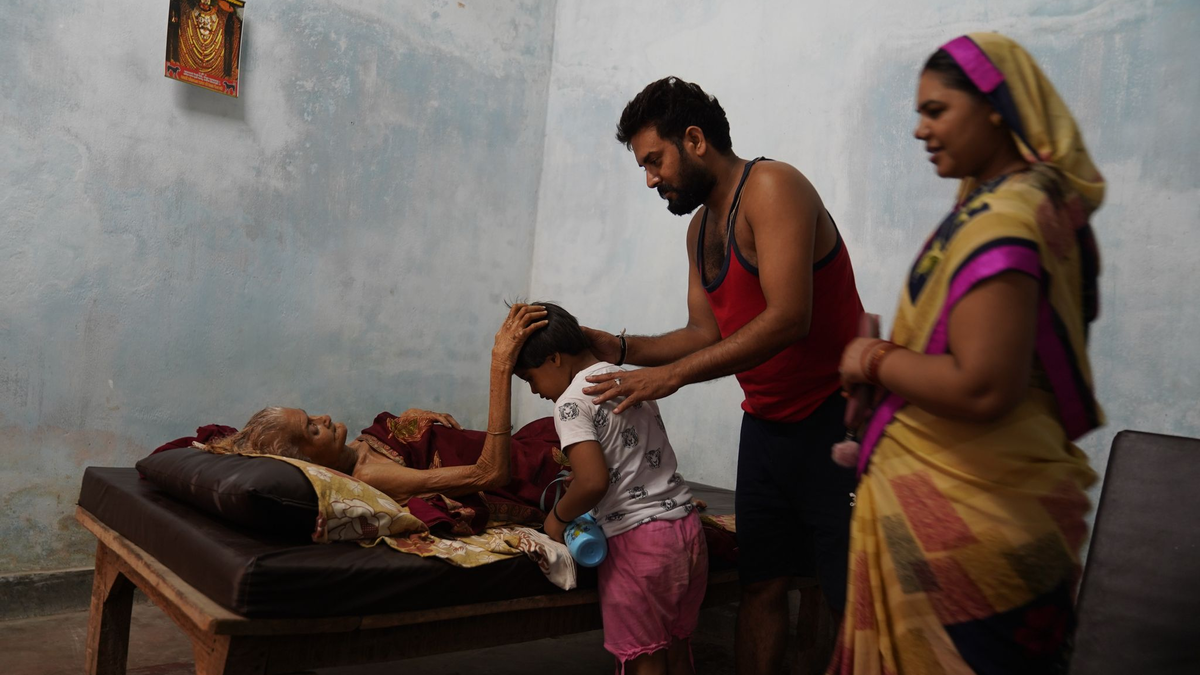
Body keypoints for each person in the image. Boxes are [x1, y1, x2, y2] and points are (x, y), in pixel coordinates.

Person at [829, 33, 1105, 674]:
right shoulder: (991, 204)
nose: (921, 130)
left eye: (936, 110)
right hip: (955, 519)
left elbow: (984, 386)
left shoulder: (1005, 219)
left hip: (972, 535)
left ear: (996, 107)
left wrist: (870, 359)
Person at [585, 76, 863, 673]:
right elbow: (704, 334)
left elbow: (790, 317)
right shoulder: (699, 229)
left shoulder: (773, 188)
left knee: (850, 597)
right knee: (760, 585)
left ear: (694, 139)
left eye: (655, 160)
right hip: (765, 428)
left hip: (834, 421)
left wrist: (675, 377)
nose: (651, 178)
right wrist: (619, 345)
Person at [518, 302, 707, 675]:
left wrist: (556, 519)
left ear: (554, 358)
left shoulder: (570, 403)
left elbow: (592, 483)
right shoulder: (628, 379)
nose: (536, 392)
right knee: (677, 646)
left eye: (530, 379)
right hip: (687, 532)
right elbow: (631, 455)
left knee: (645, 659)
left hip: (640, 547)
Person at [206, 304, 551, 504]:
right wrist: (501, 364)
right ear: (308, 463)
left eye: (311, 415)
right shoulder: (370, 476)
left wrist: (414, 420)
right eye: (312, 429)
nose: (323, 418)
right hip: (528, 469)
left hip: (520, 442)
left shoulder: (357, 447)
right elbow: (490, 474)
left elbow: (404, 445)